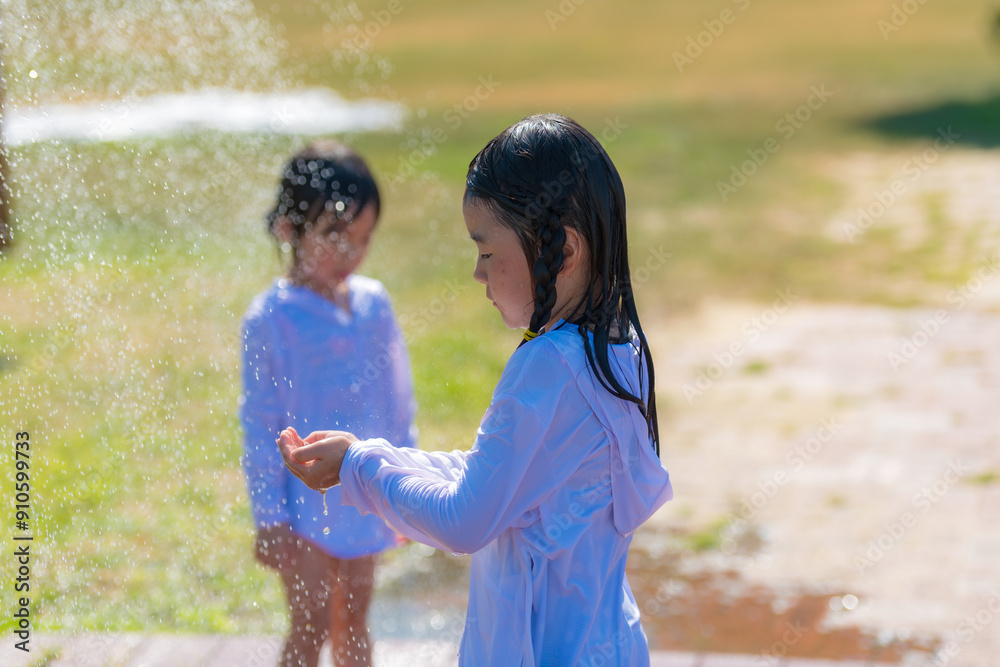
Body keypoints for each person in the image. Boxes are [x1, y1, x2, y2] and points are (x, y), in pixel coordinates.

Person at [277, 114, 672, 666]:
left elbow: (466, 520)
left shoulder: (546, 366)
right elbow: (497, 480)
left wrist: (358, 468)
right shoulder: (618, 351)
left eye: (486, 252)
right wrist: (369, 458)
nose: (478, 274)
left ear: (563, 251)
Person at [240, 139, 416, 667]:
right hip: (303, 507)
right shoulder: (270, 318)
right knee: (311, 622)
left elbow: (398, 402)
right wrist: (270, 517)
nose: (351, 253)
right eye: (336, 234)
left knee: (354, 620)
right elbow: (260, 423)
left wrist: (404, 486)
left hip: (364, 490)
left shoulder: (374, 305)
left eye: (363, 239)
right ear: (288, 228)